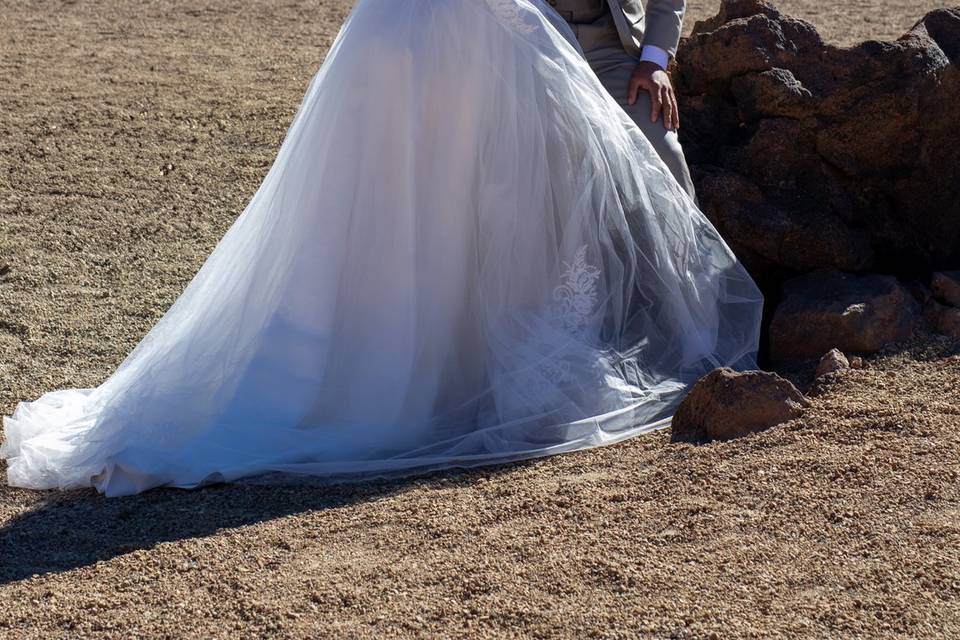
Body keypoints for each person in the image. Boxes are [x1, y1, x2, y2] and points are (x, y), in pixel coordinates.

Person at [2, 0, 762, 497]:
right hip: (471, 30)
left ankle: (677, 331)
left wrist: (655, 57)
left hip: (566, 39)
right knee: (426, 188)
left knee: (578, 177)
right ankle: (431, 361)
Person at [550, 0, 695, 197]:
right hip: (532, 41)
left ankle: (687, 228)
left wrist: (654, 60)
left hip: (613, 45)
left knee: (663, 151)